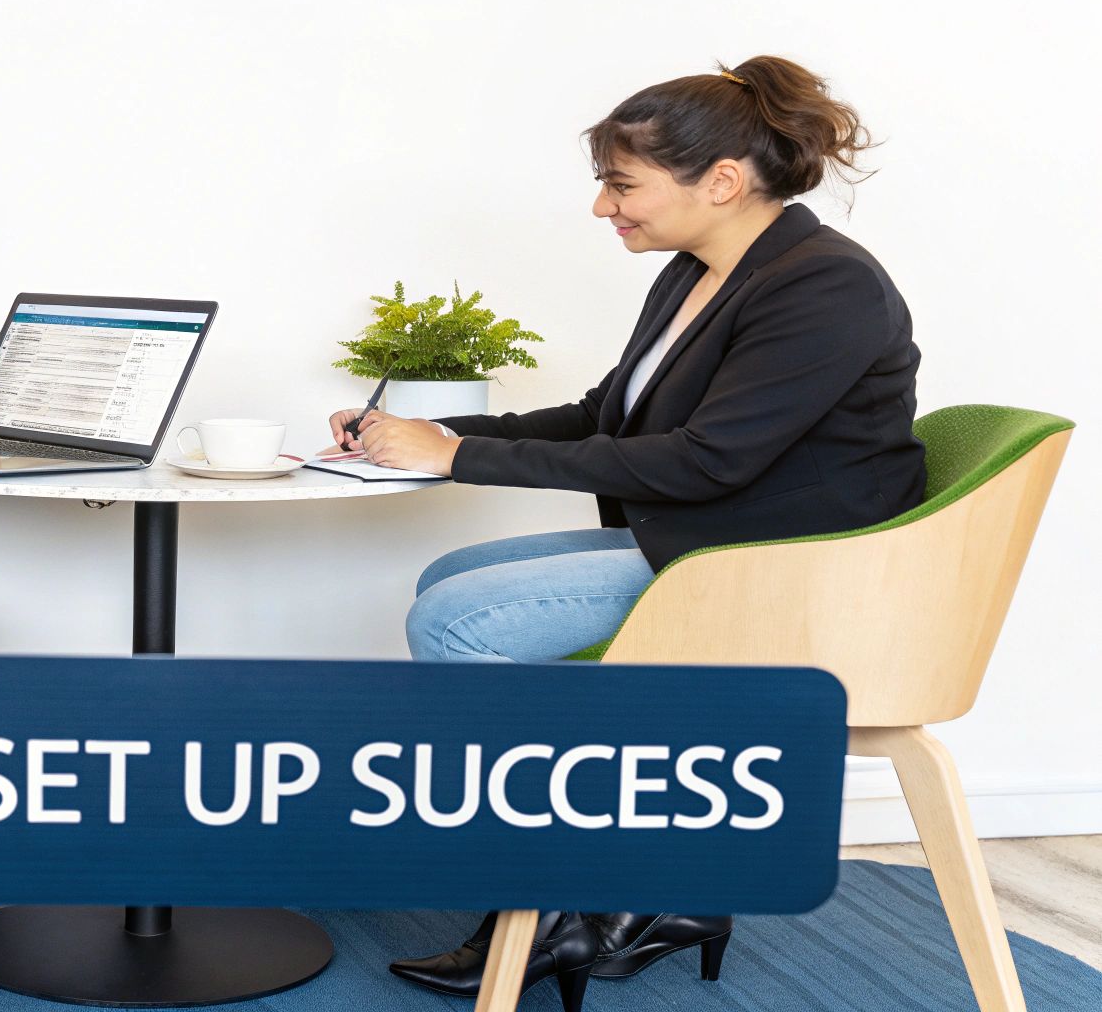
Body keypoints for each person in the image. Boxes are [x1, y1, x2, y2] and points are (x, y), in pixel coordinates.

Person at [328, 56, 925, 1006]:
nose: (604, 207)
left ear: (721, 181)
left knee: (461, 626)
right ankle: (639, 875)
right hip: (713, 543)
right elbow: (608, 413)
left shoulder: (826, 288)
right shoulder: (699, 272)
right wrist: (435, 439)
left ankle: (556, 894)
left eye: (622, 183)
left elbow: (703, 462)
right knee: (452, 575)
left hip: (778, 573)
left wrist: (452, 460)